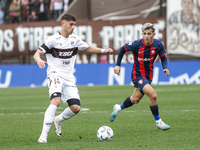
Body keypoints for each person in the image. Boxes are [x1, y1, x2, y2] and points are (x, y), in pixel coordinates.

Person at [33, 13, 113, 143]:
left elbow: (88, 48)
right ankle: (43, 136)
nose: (73, 27)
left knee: (76, 108)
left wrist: (104, 51)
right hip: (55, 74)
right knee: (56, 101)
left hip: (69, 77)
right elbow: (37, 53)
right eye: (71, 24)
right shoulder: (53, 40)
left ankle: (58, 119)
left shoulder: (75, 40)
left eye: (74, 25)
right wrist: (38, 60)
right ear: (63, 24)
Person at [109, 22, 170, 130]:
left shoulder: (158, 45)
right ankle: (159, 122)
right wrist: (118, 65)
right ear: (142, 34)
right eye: (145, 33)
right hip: (137, 75)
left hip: (148, 76)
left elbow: (163, 57)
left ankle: (118, 108)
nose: (146, 36)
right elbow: (123, 49)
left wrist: (165, 67)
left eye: (149, 34)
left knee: (135, 99)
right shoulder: (136, 44)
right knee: (153, 95)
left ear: (153, 35)